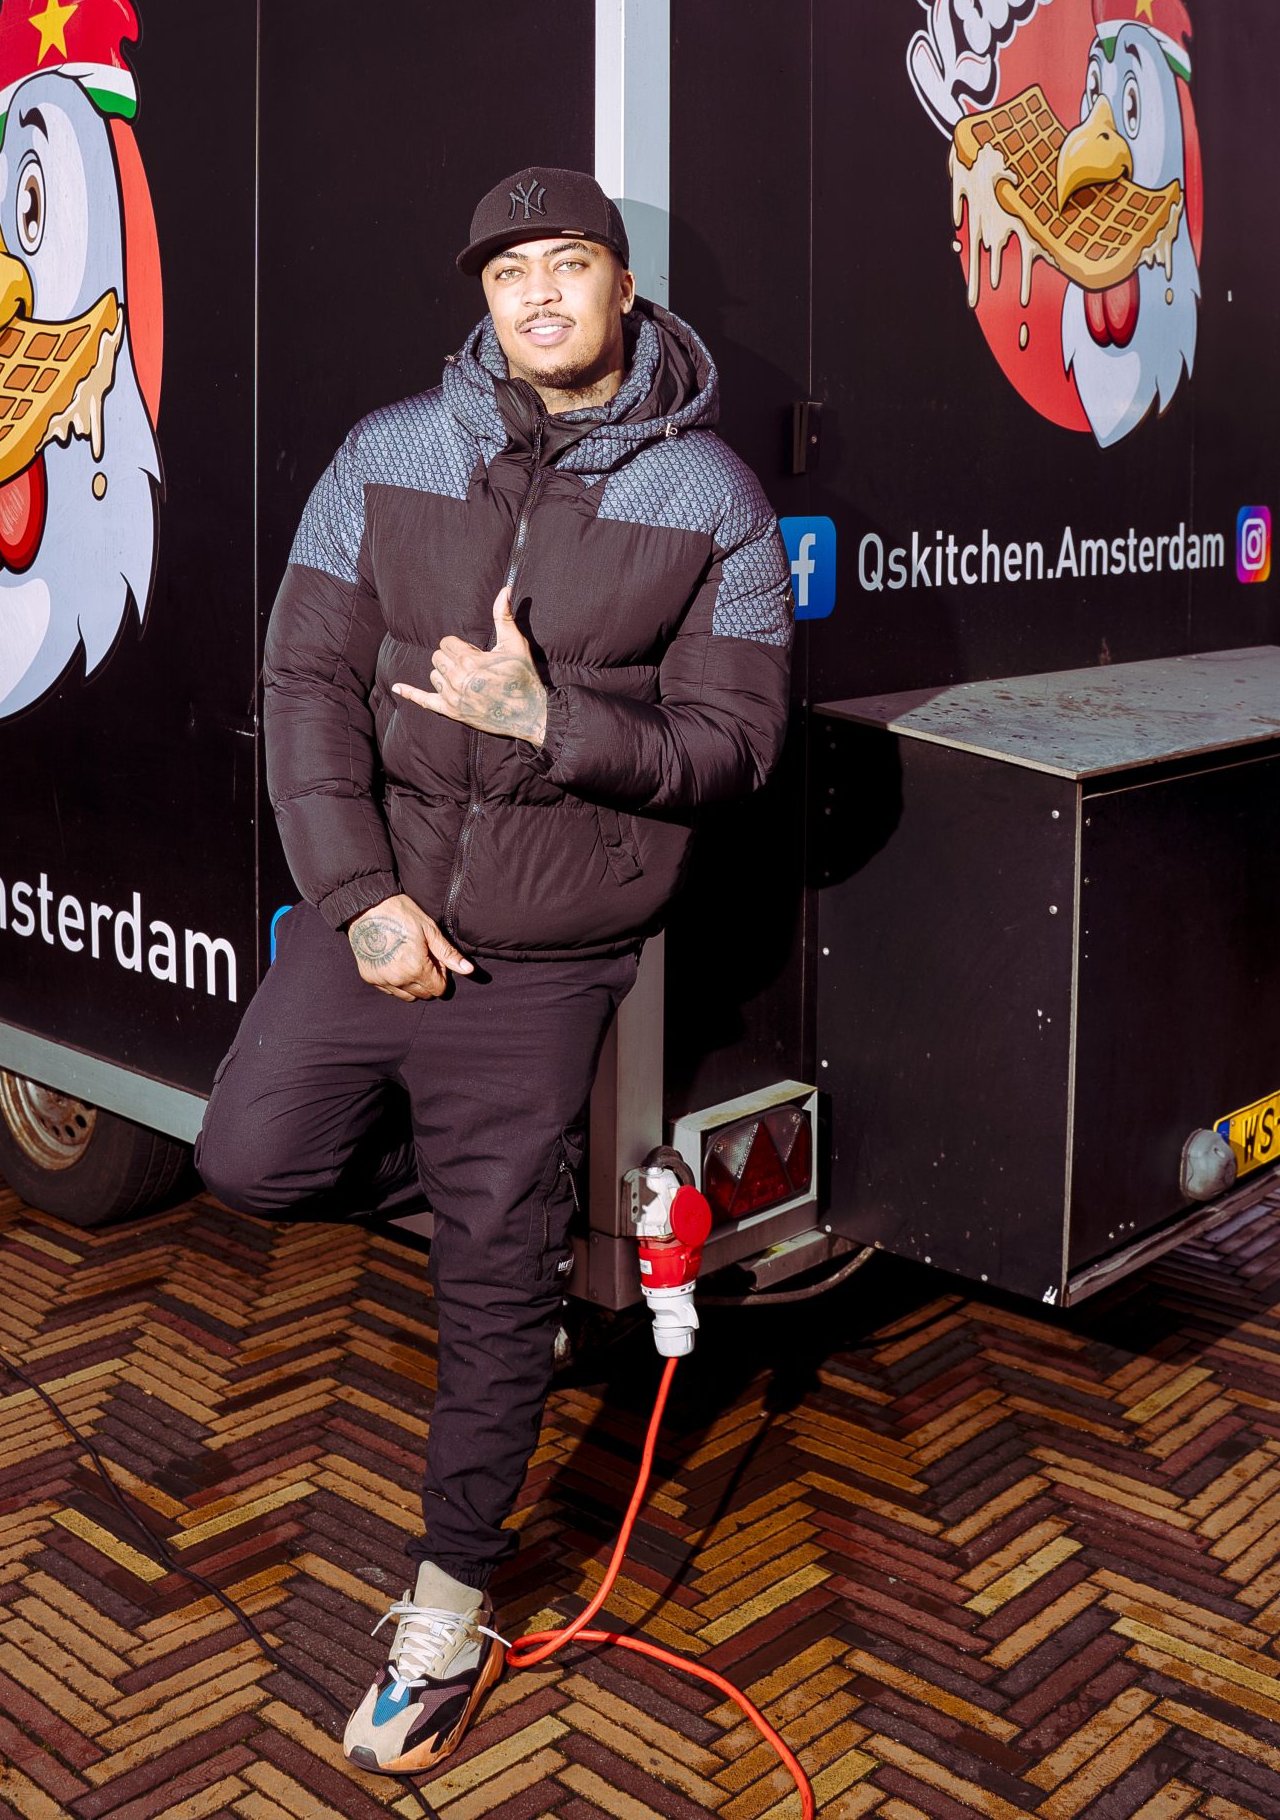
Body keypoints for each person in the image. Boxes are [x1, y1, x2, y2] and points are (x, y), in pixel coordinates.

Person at [195, 165, 792, 1776]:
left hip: (546, 961)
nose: (538, 294)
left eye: (569, 263)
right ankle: (507, 1215)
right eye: (509, 269)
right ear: (483, 295)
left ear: (622, 286)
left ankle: (447, 1617)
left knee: (491, 1294)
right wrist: (360, 900)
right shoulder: (388, 454)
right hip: (381, 916)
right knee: (249, 1156)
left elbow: (737, 746)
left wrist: (553, 723)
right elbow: (306, 682)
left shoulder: (714, 497)